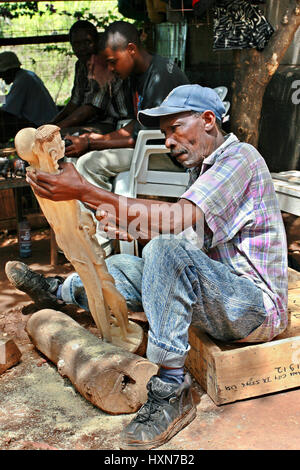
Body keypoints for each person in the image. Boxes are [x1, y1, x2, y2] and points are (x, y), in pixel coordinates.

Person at [6, 84, 288, 450]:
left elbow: (175, 224)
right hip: (221, 292)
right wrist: (130, 226)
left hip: (254, 308)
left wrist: (86, 192)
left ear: (207, 121)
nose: (169, 141)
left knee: (163, 251)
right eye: (165, 133)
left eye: (175, 129)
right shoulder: (203, 169)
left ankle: (171, 388)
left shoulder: (240, 159)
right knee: (124, 264)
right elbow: (192, 234)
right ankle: (58, 291)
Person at [64, 20, 190, 191]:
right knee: (78, 155)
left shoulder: (159, 78)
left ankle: (102, 215)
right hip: (150, 145)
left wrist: (90, 144)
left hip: (172, 154)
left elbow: (143, 138)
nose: (110, 68)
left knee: (89, 163)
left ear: (131, 49)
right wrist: (95, 139)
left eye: (112, 61)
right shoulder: (138, 74)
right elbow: (139, 125)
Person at [51, 20, 134, 136]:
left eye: (87, 42)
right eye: (76, 44)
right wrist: (51, 124)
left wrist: (55, 129)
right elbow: (75, 102)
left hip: (117, 123)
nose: (82, 48)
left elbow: (91, 108)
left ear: (97, 41)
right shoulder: (80, 65)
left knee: (62, 135)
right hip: (96, 122)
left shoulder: (103, 64)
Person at [0, 51, 57, 144]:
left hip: (41, 126)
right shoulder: (27, 75)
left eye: (2, 73)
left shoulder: (21, 82)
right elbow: (10, 99)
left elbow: (8, 110)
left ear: (10, 70)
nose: (1, 77)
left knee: (4, 118)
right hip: (47, 121)